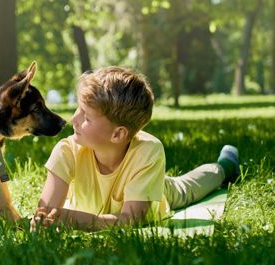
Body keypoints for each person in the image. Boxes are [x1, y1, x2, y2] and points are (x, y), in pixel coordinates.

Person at [30, 67, 240, 232]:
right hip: (134, 186)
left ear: (118, 134)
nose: (73, 119)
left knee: (186, 189)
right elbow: (45, 212)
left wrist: (83, 220)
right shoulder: (66, 151)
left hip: (154, 193)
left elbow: (131, 220)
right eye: (78, 109)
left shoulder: (148, 152)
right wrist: (43, 221)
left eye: (86, 116)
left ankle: (225, 166)